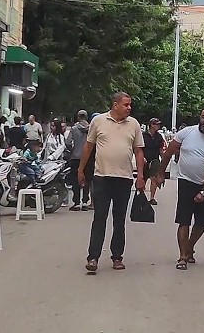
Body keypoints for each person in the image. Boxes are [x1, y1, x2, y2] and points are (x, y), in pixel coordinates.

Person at [78, 92, 145, 273]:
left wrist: (140, 176)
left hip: (124, 178)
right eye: (126, 105)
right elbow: (89, 146)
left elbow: (139, 151)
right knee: (99, 218)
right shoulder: (98, 121)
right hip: (102, 177)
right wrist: (81, 169)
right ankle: (93, 258)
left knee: (119, 219)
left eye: (130, 105)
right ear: (115, 105)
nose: (129, 108)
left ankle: (117, 257)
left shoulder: (134, 124)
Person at [156, 108, 204, 269]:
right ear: (199, 118)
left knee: (202, 222)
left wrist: (203, 191)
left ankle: (189, 246)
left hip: (203, 184)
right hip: (185, 182)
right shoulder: (186, 133)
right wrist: (160, 174)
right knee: (184, 220)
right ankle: (182, 256)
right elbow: (168, 153)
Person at [64, 110, 92, 210]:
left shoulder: (74, 129)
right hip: (88, 157)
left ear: (78, 117)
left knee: (76, 180)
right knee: (87, 180)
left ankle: (76, 203)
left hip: (76, 157)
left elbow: (67, 142)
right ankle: (85, 202)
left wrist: (73, 150)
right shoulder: (91, 129)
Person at [143, 118, 167, 205]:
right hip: (144, 160)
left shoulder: (159, 136)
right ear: (151, 125)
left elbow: (161, 149)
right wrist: (142, 158)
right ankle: (140, 195)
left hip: (155, 160)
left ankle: (152, 198)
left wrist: (163, 159)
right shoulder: (143, 135)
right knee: (143, 178)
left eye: (158, 124)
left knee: (154, 179)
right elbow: (139, 148)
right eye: (156, 124)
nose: (158, 126)